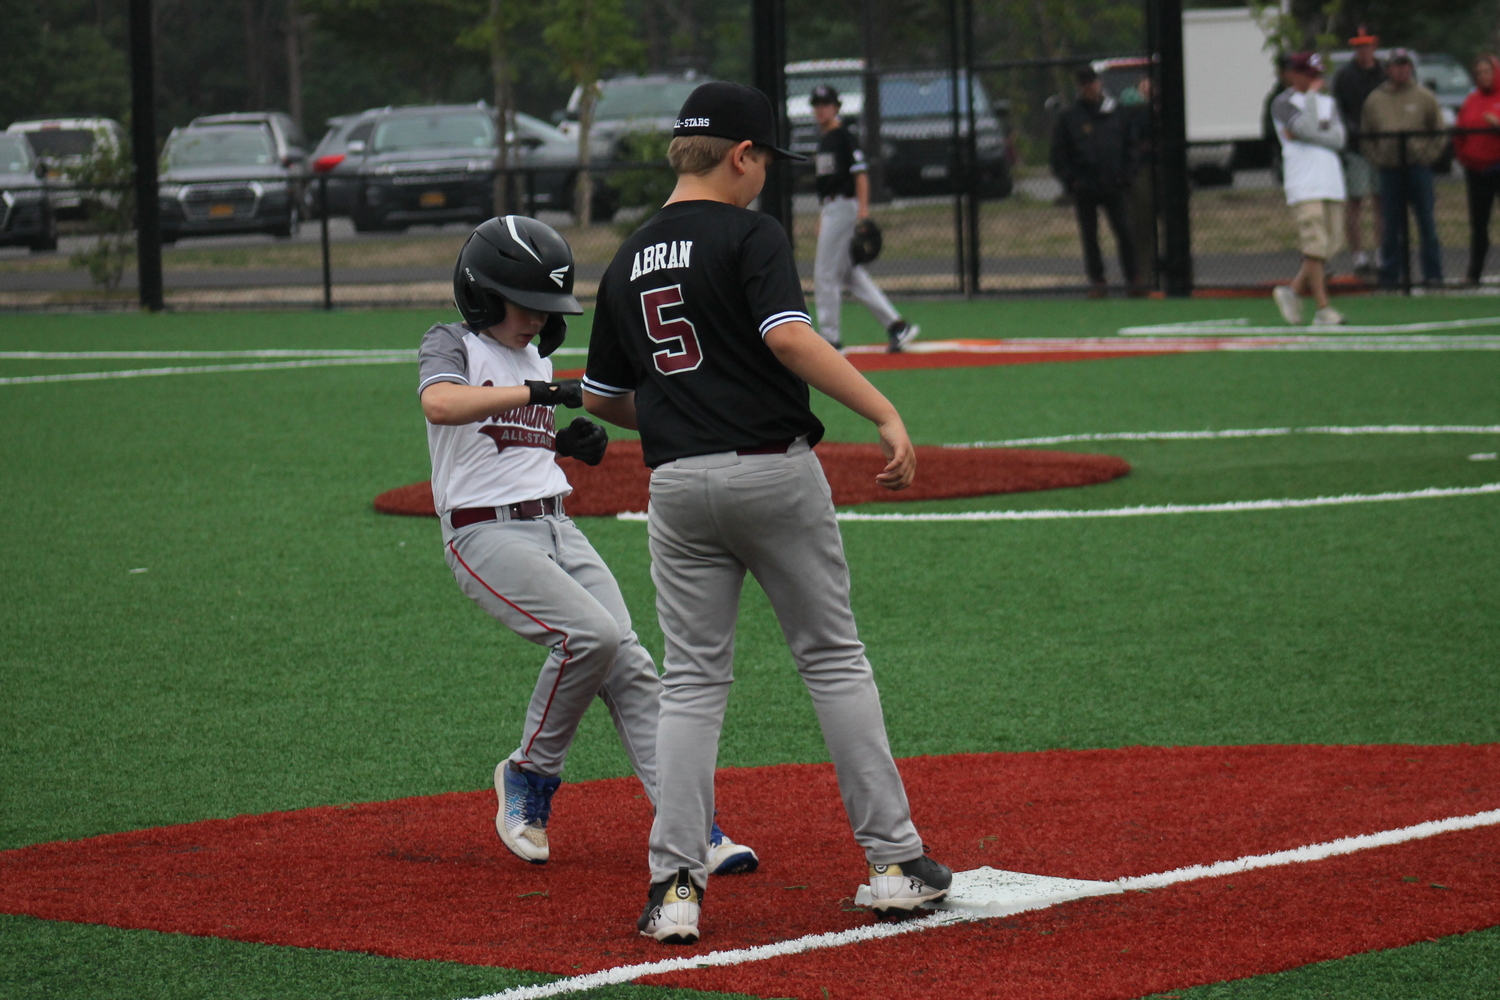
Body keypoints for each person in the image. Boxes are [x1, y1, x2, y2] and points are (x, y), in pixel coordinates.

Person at [581, 81, 951, 945]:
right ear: (740, 155)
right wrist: (882, 411)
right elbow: (789, 335)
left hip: (675, 486)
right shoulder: (751, 233)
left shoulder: (627, 254)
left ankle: (674, 886)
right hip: (771, 473)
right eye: (761, 163)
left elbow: (603, 397)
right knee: (831, 659)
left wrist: (679, 411)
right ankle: (895, 861)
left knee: (692, 683)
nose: (764, 180)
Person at [418, 215, 759, 876]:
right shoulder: (452, 342)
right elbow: (443, 406)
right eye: (528, 304)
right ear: (482, 292)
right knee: (592, 637)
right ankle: (527, 776)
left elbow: (510, 434)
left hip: (554, 524)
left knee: (629, 663)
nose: (539, 320)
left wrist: (560, 442)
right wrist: (544, 393)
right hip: (481, 531)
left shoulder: (532, 355)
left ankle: (690, 827)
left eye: (549, 307)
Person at [808, 84, 920, 353]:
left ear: (836, 107)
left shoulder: (844, 137)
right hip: (831, 208)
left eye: (826, 104)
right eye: (817, 104)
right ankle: (897, 325)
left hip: (845, 207)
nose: (821, 109)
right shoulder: (825, 140)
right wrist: (823, 215)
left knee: (825, 274)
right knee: (850, 275)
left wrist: (863, 214)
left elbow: (860, 175)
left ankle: (830, 340)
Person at [1270, 52, 1348, 326]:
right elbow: (1302, 127)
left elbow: (1338, 139)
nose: (1318, 81)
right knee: (1314, 244)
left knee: (1330, 245)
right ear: (1297, 75)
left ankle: (1292, 291)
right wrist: (1315, 115)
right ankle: (1323, 309)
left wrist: (1314, 131)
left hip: (1331, 182)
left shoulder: (1328, 102)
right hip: (1305, 183)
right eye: (1311, 75)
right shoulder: (1282, 103)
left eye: (1319, 75)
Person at [1051, 65, 1140, 298]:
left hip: (1114, 184)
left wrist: (1127, 174)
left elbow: (1131, 146)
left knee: (1124, 231)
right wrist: (1072, 181)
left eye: (1092, 82)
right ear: (1079, 87)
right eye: (1085, 84)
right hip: (1085, 187)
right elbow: (1059, 155)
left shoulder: (1117, 112)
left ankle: (1134, 279)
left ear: (1099, 83)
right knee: (1090, 237)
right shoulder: (1069, 117)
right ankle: (1098, 281)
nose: (1090, 87)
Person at [1361, 48, 1446, 289]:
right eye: (1397, 65)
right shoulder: (1375, 100)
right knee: (1391, 226)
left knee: (1426, 223)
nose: (1402, 70)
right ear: (1388, 69)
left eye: (1405, 65)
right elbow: (1366, 136)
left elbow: (1439, 131)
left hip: (1418, 169)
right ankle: (1391, 276)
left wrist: (1427, 155)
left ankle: (1433, 274)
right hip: (1389, 171)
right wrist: (1378, 158)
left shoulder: (1424, 97)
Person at [1332, 29, 1387, 277]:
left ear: (1374, 46)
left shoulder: (1383, 72)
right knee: (1355, 200)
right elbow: (1339, 108)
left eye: (1367, 45)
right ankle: (1358, 255)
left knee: (1381, 201)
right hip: (1356, 148)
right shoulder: (1345, 75)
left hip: (1381, 147)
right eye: (1359, 46)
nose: (1363, 50)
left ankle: (1382, 253)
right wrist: (1351, 130)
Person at [1453, 54, 1500, 284]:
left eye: (1487, 71)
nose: (1483, 76)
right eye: (1479, 73)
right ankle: (1474, 273)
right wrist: (1464, 157)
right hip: (1477, 170)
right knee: (1478, 224)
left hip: (1498, 166)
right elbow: (1460, 130)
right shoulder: (1472, 100)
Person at [1121, 73, 1158, 290]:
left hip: (1160, 167)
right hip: (1142, 169)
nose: (1149, 90)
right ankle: (1144, 276)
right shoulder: (1132, 111)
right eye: (1144, 87)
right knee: (1141, 224)